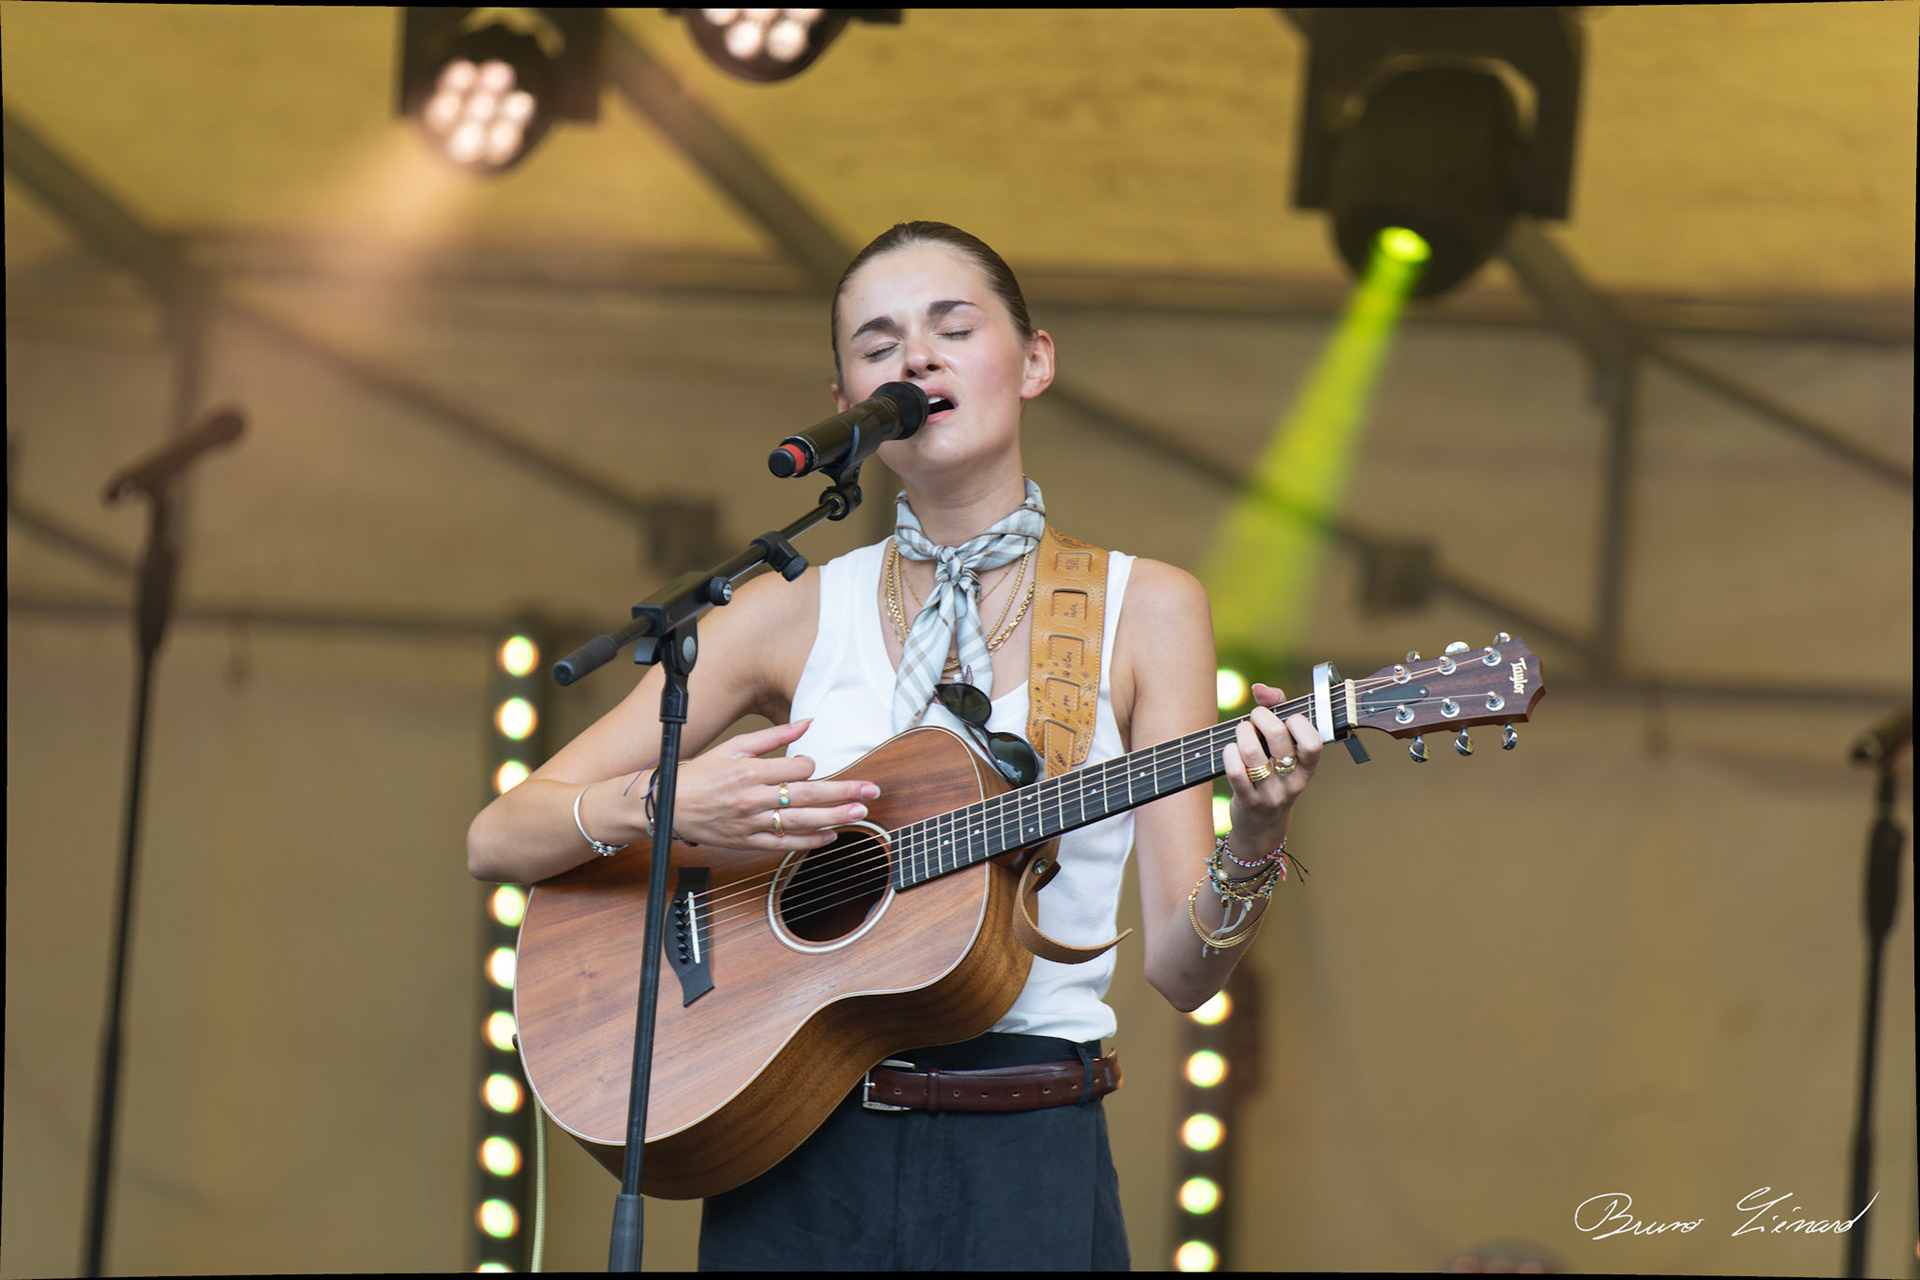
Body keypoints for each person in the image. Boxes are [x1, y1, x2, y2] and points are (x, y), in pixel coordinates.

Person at [466, 221, 1324, 1270]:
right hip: (790, 1144)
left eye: (951, 328)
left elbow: (1184, 975)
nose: (914, 358)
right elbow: (498, 835)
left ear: (1035, 360)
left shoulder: (1145, 608)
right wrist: (666, 805)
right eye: (878, 346)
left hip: (1027, 1154)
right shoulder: (786, 609)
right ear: (847, 406)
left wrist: (1255, 836)